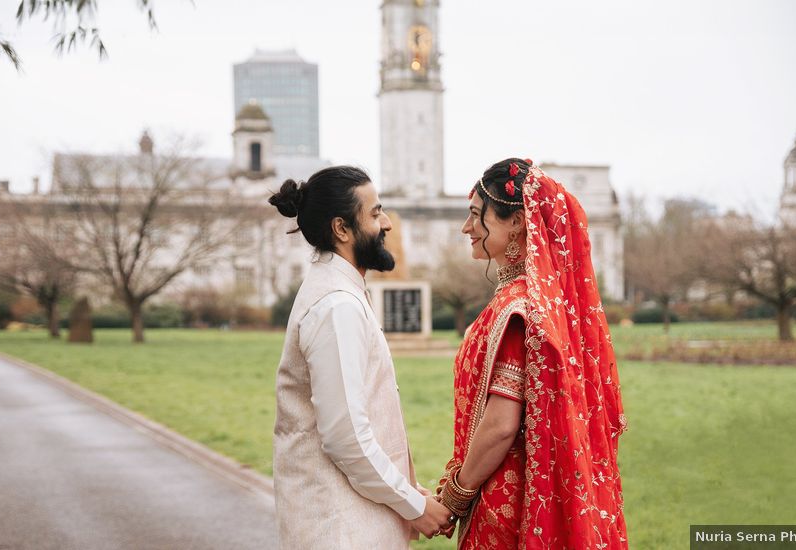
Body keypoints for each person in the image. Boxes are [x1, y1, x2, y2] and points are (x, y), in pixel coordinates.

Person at [434, 159, 630, 549]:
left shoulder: (519, 308)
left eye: (476, 215)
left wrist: (455, 495)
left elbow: (502, 424)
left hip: (509, 503)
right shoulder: (542, 302)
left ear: (517, 222)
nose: (466, 228)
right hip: (529, 493)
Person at [268, 166, 453, 548]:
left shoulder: (341, 292)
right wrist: (415, 505)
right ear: (342, 229)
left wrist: (410, 490)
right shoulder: (337, 306)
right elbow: (346, 437)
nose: (386, 222)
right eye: (375, 213)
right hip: (340, 530)